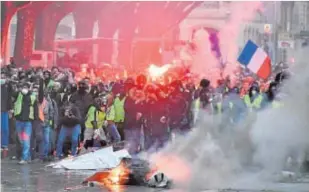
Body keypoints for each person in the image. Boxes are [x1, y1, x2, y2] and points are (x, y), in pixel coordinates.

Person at [13, 83, 41, 164]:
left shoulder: (33, 97)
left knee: (26, 140)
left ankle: (24, 158)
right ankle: (27, 156)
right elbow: (12, 94)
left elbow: (36, 110)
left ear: (29, 88)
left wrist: (35, 121)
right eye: (23, 87)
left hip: (27, 123)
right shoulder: (18, 95)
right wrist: (18, 90)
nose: (24, 89)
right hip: (19, 121)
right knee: (21, 140)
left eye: (26, 87)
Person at [1, 70, 12, 157]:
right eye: (1, 77)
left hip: (4, 111)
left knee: (5, 129)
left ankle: (4, 145)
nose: (2, 79)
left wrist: (10, 109)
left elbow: (9, 98)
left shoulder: (7, 86)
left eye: (4, 77)